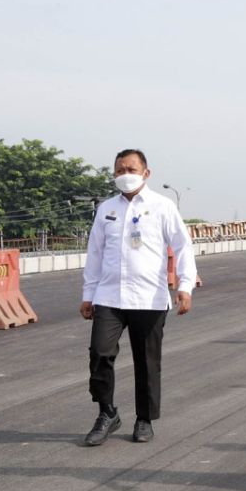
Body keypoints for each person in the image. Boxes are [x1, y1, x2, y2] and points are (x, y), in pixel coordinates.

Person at [80, 149, 197, 446]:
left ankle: (144, 419)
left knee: (147, 361)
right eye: (119, 170)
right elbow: (94, 253)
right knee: (99, 353)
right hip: (109, 296)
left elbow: (183, 247)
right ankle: (107, 412)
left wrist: (185, 286)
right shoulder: (107, 208)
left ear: (146, 173)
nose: (124, 174)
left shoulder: (162, 206)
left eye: (130, 168)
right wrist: (88, 294)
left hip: (149, 297)